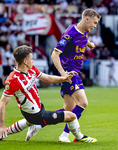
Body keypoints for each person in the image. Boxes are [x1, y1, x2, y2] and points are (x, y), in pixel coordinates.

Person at [26, 9, 101, 143]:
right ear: (86, 19)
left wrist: (89, 44)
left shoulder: (83, 31)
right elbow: (55, 54)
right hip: (70, 72)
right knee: (83, 103)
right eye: (94, 23)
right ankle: (68, 136)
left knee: (68, 110)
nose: (95, 26)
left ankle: (39, 124)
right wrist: (63, 74)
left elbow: (83, 37)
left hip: (72, 72)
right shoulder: (70, 33)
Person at [0, 45, 97, 143]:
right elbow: (2, 103)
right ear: (25, 61)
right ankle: (79, 137)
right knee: (72, 116)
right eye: (31, 59)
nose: (33, 61)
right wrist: (1, 125)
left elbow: (48, 78)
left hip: (35, 111)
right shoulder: (12, 80)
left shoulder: (31, 69)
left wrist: (64, 78)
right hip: (35, 115)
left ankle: (4, 133)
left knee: (29, 122)